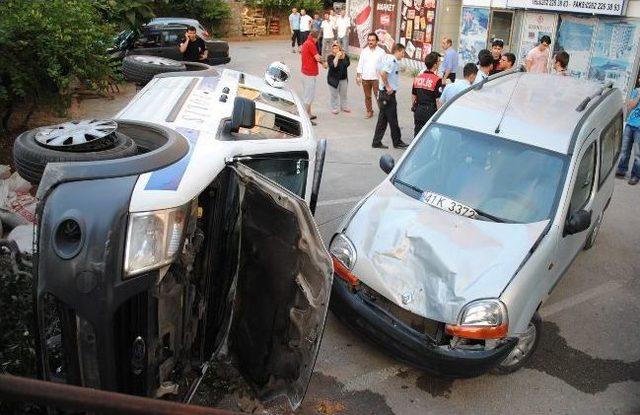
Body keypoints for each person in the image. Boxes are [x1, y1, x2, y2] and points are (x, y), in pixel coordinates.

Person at [372, 43, 409, 149]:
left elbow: (380, 70)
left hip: (384, 94)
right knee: (393, 119)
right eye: (402, 52)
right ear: (397, 51)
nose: (403, 55)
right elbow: (383, 73)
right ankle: (397, 142)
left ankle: (376, 142)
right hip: (387, 95)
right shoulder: (391, 61)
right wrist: (388, 86)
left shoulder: (390, 59)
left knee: (383, 120)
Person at [616, 76, 640, 185]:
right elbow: (630, 106)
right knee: (625, 149)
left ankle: (635, 175)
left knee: (638, 153)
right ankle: (622, 169)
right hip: (630, 124)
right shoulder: (636, 91)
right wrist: (638, 96)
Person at [356, 33, 386, 118]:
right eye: (369, 40)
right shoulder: (364, 51)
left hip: (377, 78)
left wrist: (384, 79)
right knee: (367, 96)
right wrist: (358, 76)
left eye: (373, 40)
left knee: (378, 96)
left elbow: (384, 66)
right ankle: (369, 111)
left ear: (377, 41)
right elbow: (360, 64)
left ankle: (382, 113)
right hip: (366, 78)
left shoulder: (381, 52)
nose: (370, 42)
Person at [412, 52, 442, 136]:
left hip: (418, 110)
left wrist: (414, 108)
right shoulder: (437, 80)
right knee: (428, 136)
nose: (440, 63)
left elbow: (414, 95)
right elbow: (438, 100)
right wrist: (439, 113)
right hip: (430, 111)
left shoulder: (418, 77)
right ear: (435, 64)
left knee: (417, 134)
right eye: (439, 61)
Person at [300, 30, 326, 125]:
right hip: (309, 74)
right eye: (318, 37)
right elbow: (317, 57)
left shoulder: (307, 42)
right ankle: (304, 119)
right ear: (316, 37)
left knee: (308, 95)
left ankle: (309, 114)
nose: (318, 39)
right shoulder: (310, 44)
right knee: (308, 97)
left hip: (306, 72)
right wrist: (325, 62)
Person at [327, 42, 351, 114]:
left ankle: (344, 106)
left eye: (336, 48)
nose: (335, 49)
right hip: (333, 79)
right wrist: (337, 57)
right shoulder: (330, 57)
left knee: (343, 94)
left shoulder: (345, 56)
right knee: (334, 94)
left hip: (343, 78)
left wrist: (342, 57)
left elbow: (347, 64)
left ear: (339, 48)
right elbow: (333, 66)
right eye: (333, 48)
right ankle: (334, 108)